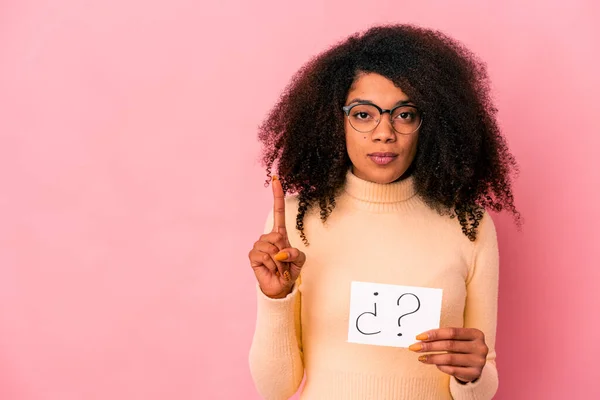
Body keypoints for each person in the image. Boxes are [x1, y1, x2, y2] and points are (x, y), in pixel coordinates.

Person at [247, 24, 520, 400]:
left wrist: (472, 374)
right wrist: (275, 298)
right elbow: (275, 390)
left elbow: (483, 381)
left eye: (404, 114)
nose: (384, 133)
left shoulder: (469, 225)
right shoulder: (296, 222)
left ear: (432, 123)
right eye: (363, 114)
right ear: (335, 120)